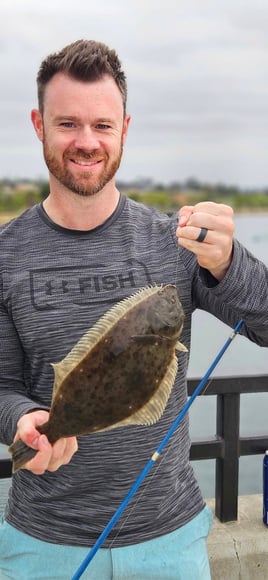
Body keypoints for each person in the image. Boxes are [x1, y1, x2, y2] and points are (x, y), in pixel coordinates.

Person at [0, 39, 267, 580]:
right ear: (38, 124)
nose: (86, 141)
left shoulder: (177, 240)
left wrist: (228, 264)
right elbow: (1, 384)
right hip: (41, 541)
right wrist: (23, 420)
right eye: (68, 123)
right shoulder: (6, 254)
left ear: (124, 127)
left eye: (102, 125)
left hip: (168, 538)